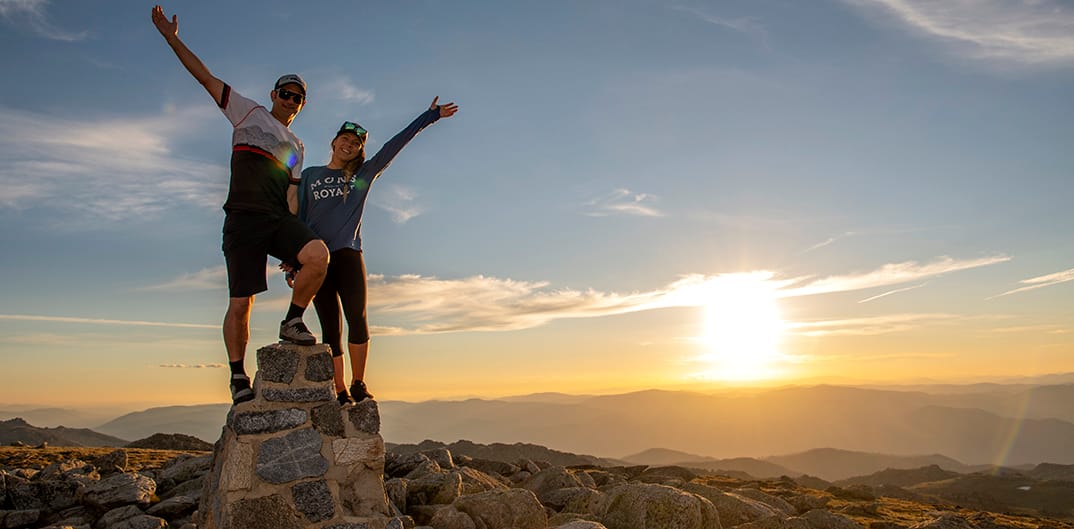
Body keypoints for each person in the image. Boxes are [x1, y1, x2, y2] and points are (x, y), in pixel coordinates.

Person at [151, 6, 330, 405]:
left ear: (302, 105)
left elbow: (291, 194)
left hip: (277, 218)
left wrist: (294, 248)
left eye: (298, 98)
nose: (291, 100)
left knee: (318, 256)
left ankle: (292, 320)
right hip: (243, 219)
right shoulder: (246, 112)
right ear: (273, 95)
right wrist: (171, 38)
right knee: (240, 303)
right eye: (285, 93)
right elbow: (203, 76)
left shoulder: (297, 147)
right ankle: (237, 376)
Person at [295, 97, 459, 404]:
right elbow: (299, 218)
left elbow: (396, 144)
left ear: (360, 151)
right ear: (334, 142)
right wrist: (294, 261)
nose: (349, 145)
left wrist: (430, 116)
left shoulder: (362, 175)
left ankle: (358, 383)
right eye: (345, 139)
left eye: (355, 144)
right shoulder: (310, 176)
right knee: (330, 327)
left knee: (357, 318)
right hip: (318, 259)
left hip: (347, 254)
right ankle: (339, 389)